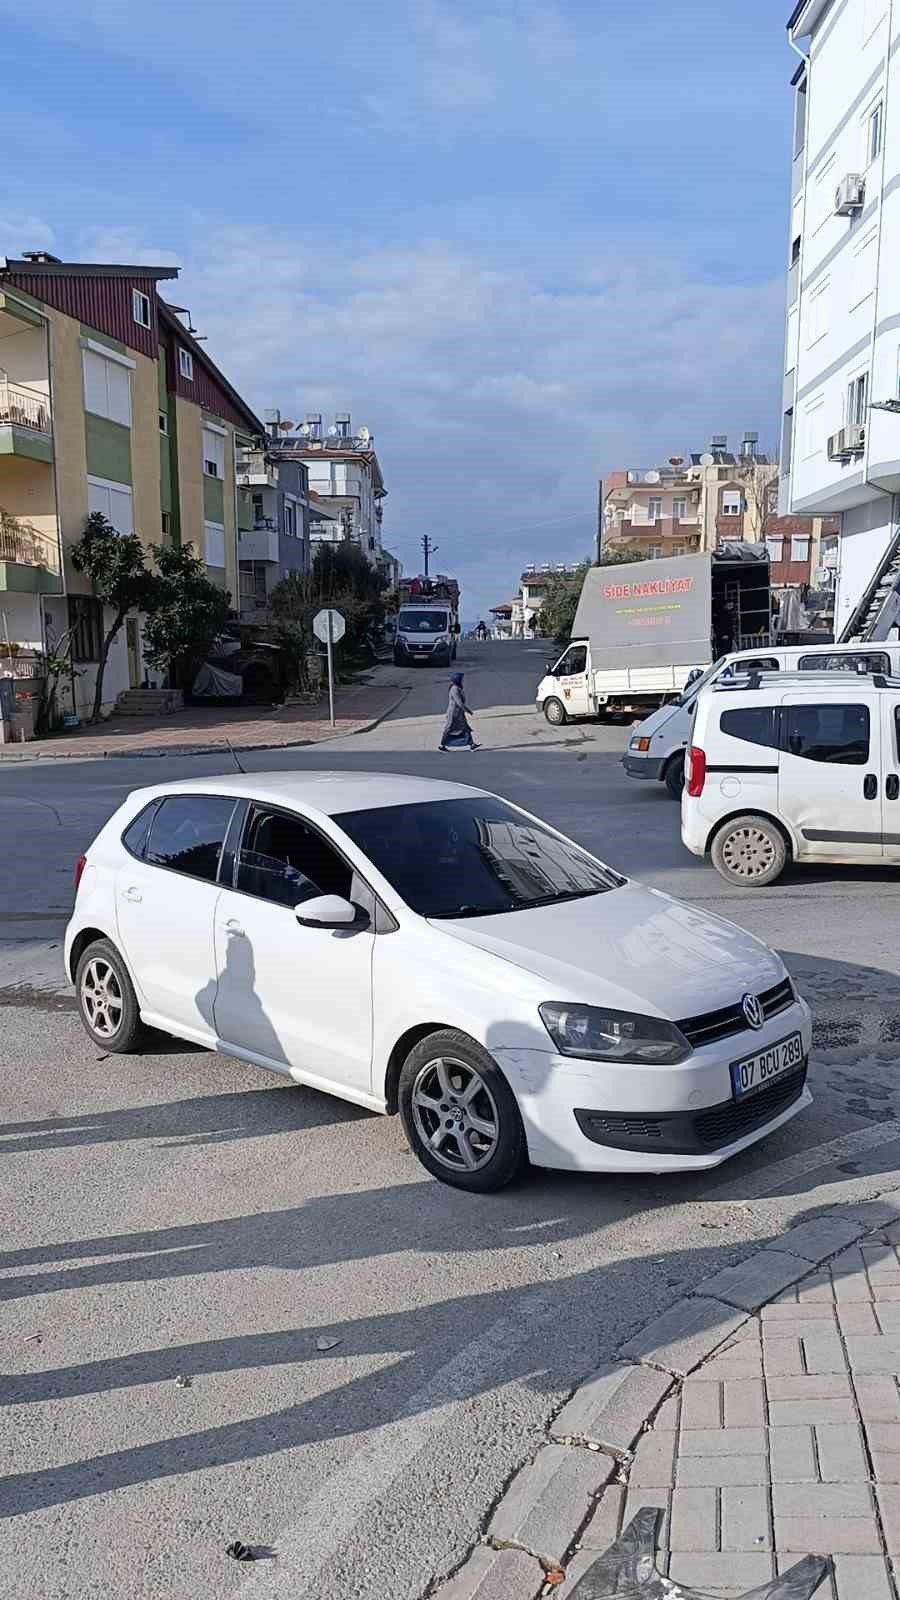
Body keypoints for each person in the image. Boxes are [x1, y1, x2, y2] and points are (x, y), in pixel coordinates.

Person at [439, 672, 479, 750]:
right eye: (461, 679)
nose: (463, 680)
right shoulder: (454, 689)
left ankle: (472, 744)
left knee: (465, 728)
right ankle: (442, 745)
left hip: (459, 713)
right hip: (454, 714)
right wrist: (468, 710)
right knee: (449, 728)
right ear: (457, 680)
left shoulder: (457, 687)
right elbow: (459, 703)